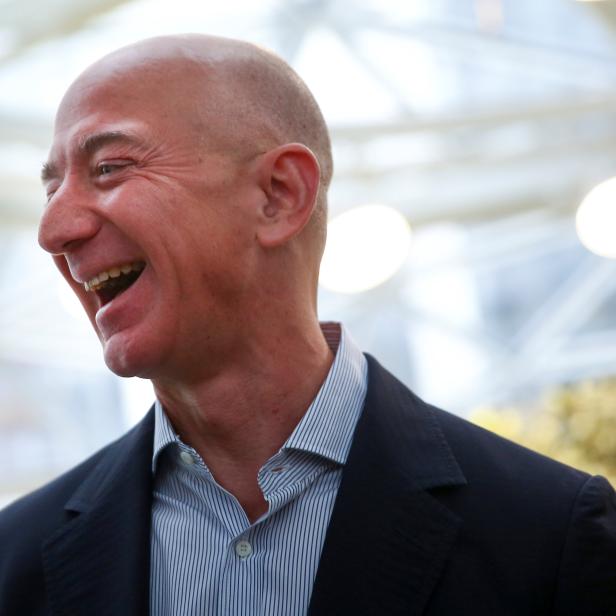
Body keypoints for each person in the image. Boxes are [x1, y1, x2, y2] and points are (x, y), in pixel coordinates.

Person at [0, 33, 615, 616]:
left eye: (108, 168)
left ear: (279, 195)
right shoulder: (13, 563)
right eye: (53, 189)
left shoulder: (552, 534)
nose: (55, 231)